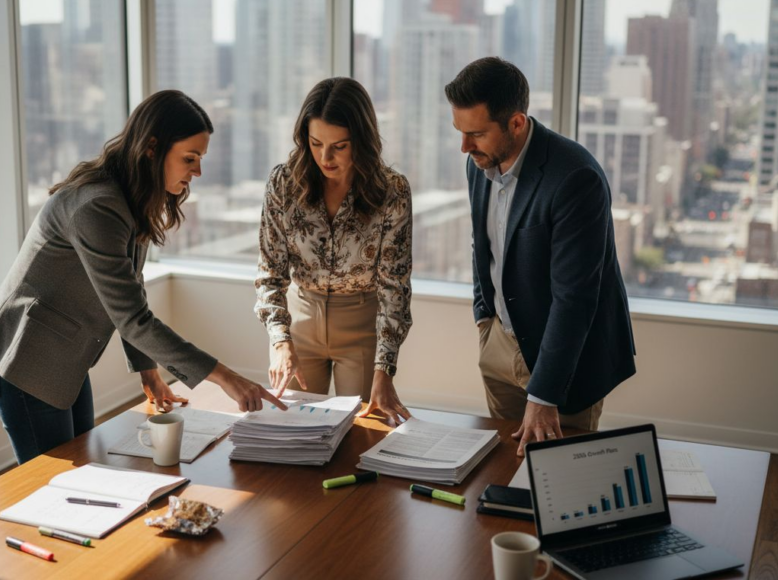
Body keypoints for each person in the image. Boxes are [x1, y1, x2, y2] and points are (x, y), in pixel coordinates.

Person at [0, 90, 285, 464]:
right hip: (24, 360)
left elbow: (130, 290)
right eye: (190, 158)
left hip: (63, 359)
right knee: (53, 486)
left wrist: (148, 372)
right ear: (152, 148)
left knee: (82, 467)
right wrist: (227, 378)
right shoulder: (97, 206)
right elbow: (133, 319)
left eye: (200, 159)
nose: (197, 171)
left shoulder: (127, 197)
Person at [445, 58, 636, 456]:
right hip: (500, 343)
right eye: (460, 132)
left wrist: (545, 394)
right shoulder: (477, 163)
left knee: (561, 481)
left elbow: (575, 297)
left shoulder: (574, 177)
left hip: (565, 364)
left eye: (476, 134)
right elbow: (485, 246)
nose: (464, 147)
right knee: (501, 466)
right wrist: (485, 321)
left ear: (516, 123)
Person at [254, 77, 413, 424]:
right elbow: (269, 275)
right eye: (315, 143)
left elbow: (394, 288)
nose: (325, 157)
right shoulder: (283, 183)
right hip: (299, 326)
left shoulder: (392, 191)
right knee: (291, 431)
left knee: (360, 432)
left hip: (361, 327)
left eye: (339, 146)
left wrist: (384, 371)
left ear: (362, 141)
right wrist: (280, 343)